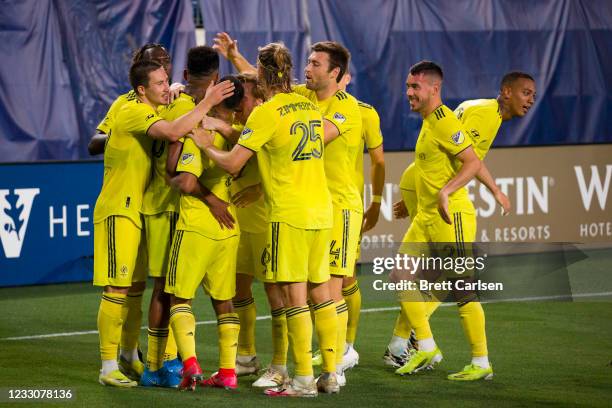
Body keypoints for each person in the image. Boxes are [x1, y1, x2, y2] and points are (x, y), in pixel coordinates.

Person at [189, 42, 334, 397]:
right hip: (321, 210)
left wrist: (206, 143)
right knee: (321, 294)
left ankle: (301, 380)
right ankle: (330, 373)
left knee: (294, 297)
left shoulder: (266, 113)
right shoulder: (309, 104)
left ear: (263, 74)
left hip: (289, 213)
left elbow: (234, 164)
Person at [92, 58, 234, 388]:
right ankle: (108, 365)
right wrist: (209, 103)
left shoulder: (153, 106)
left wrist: (177, 95)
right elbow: (173, 133)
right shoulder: (131, 109)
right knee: (118, 287)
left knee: (135, 287)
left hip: (137, 207)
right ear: (141, 89)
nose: (166, 86)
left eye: (167, 78)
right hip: (118, 207)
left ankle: (132, 357)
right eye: (159, 82)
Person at [386, 71, 536, 367]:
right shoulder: (484, 115)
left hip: (423, 185)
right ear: (506, 91)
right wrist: (490, 190)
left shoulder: (479, 109)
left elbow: (450, 152)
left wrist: (416, 191)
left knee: (423, 277)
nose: (530, 99)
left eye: (533, 94)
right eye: (526, 92)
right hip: (436, 197)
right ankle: (417, 345)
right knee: (443, 280)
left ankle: (404, 342)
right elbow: (468, 159)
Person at [391, 60, 493, 381]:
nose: (409, 92)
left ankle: (480, 362)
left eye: (415, 87)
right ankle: (425, 345)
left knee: (463, 291)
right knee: (399, 276)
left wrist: (447, 192)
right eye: (408, 86)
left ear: (434, 89)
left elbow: (472, 162)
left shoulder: (445, 122)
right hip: (426, 217)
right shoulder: (428, 120)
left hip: (452, 218)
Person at [139, 45, 223, 388]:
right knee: (166, 289)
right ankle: (161, 363)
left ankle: (162, 362)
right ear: (216, 78)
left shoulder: (170, 101)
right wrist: (212, 197)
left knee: (168, 289)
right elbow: (181, 173)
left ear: (184, 75)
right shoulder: (192, 110)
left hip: (164, 205)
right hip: (171, 206)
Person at [164, 75, 245, 391]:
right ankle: (227, 372)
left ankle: (190, 364)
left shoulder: (200, 131)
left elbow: (185, 181)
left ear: (216, 95)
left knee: (178, 298)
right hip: (229, 229)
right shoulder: (241, 136)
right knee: (225, 302)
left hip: (197, 226)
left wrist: (171, 178)